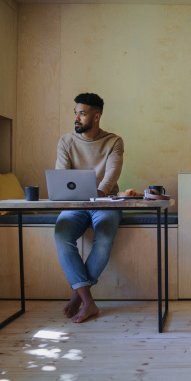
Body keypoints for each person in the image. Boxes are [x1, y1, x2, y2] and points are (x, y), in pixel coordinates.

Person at [54, 92, 124, 323]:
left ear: (96, 117)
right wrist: (76, 197)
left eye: (82, 114)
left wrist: (98, 194)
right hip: (76, 204)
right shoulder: (66, 141)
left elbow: (109, 179)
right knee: (61, 234)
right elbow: (62, 177)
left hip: (105, 202)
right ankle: (88, 301)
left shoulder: (114, 141)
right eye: (75, 113)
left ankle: (79, 295)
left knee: (103, 239)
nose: (76, 118)